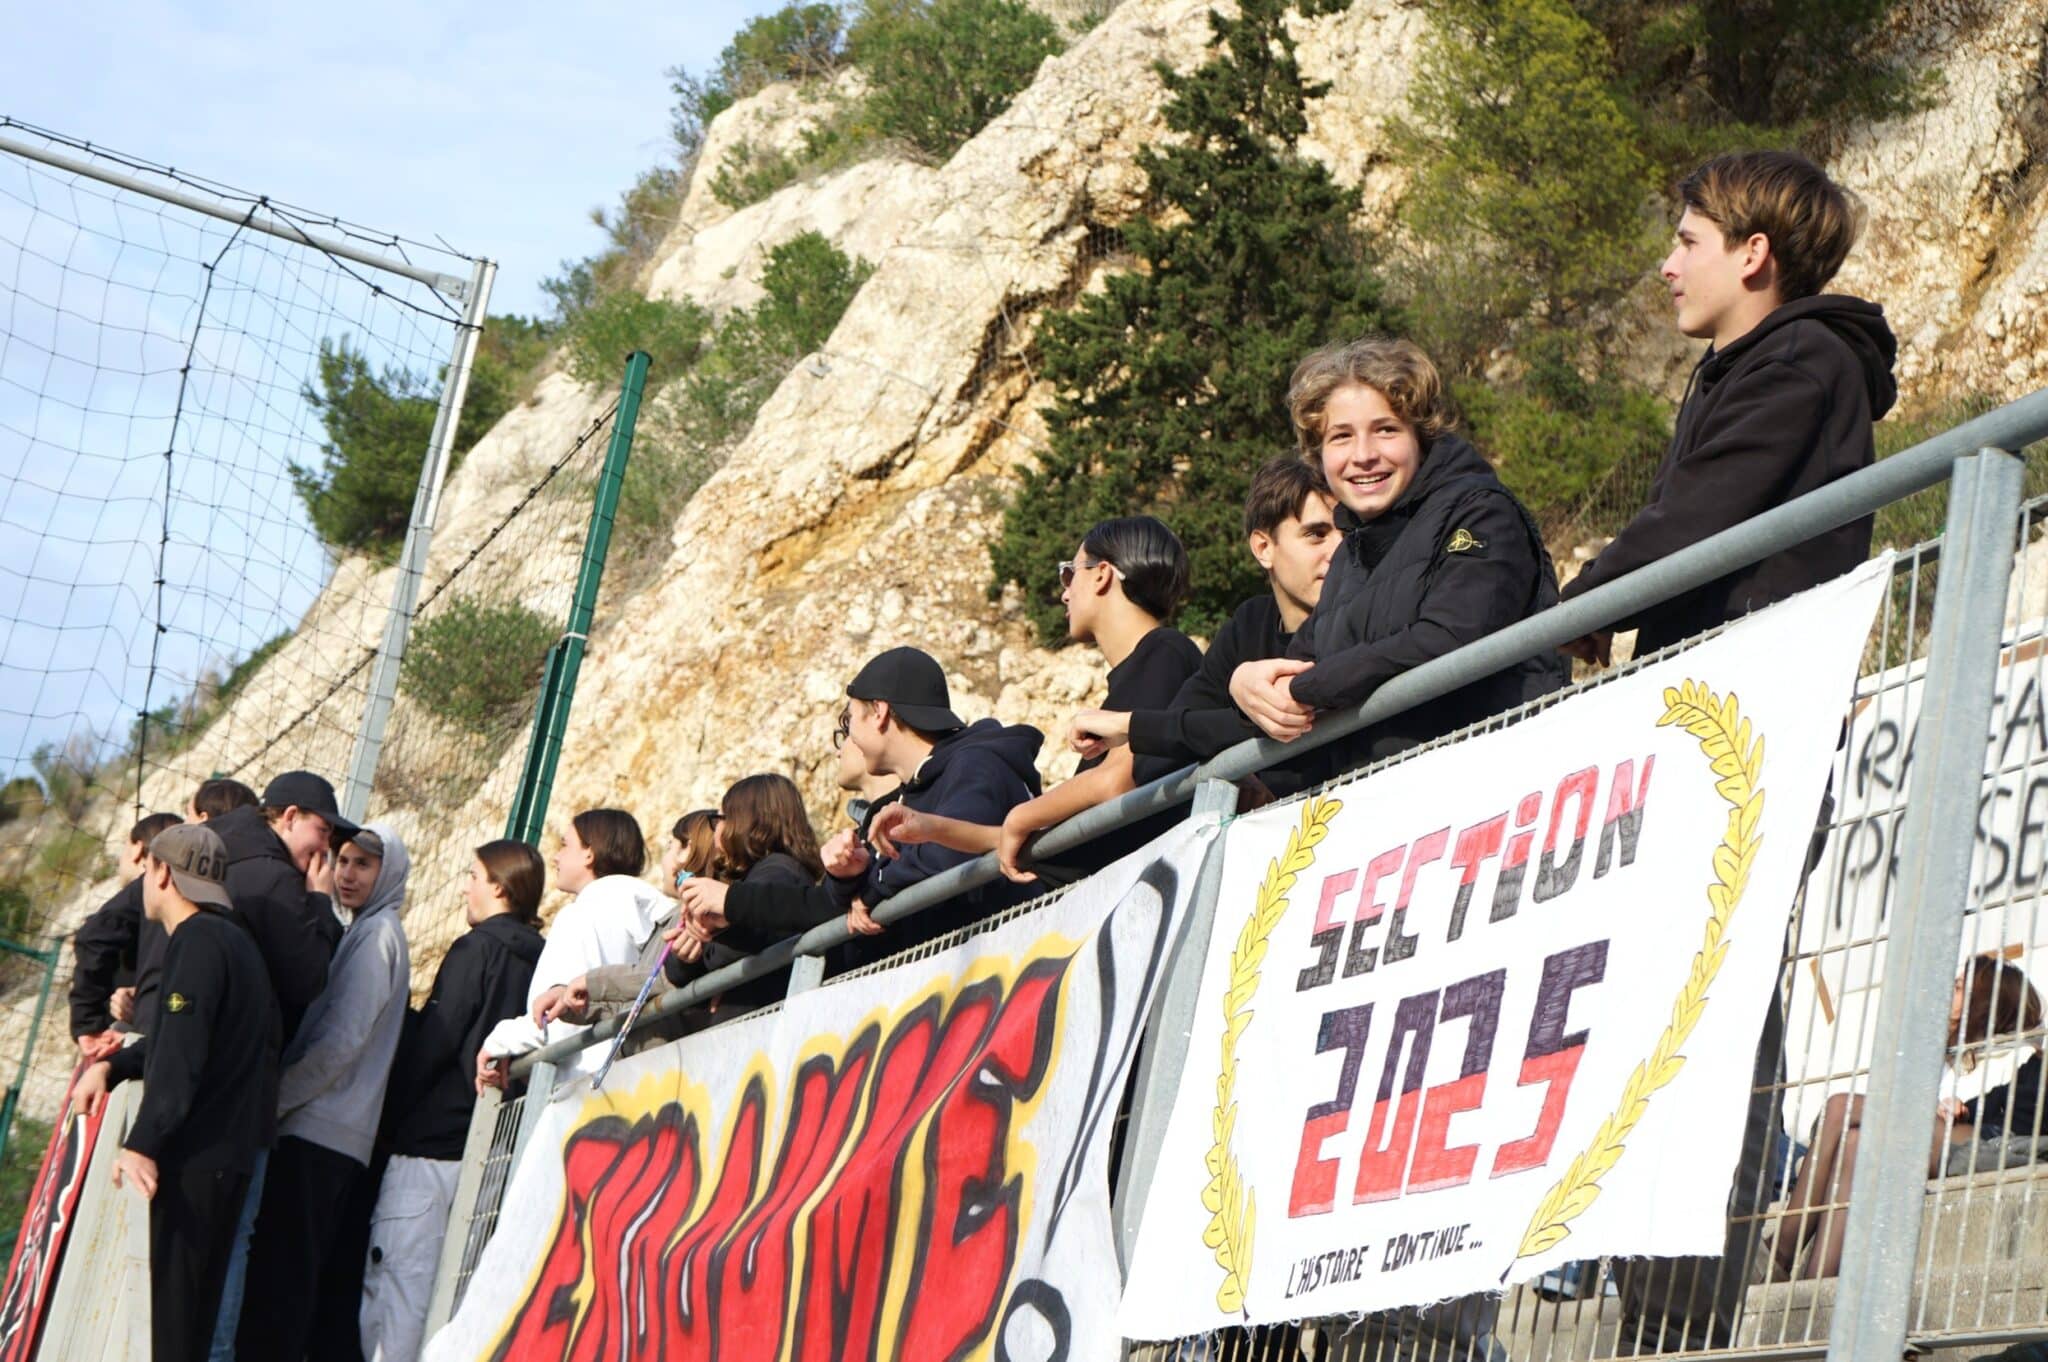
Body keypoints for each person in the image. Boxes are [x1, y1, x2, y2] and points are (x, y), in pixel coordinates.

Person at [1557, 150, 1897, 665]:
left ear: (1752, 254)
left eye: (1689, 243)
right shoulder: (1744, 367)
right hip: (1717, 684)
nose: (1668, 266)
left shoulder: (1799, 363)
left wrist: (1587, 604)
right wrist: (1601, 604)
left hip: (1754, 688)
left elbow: (1690, 520)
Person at [1228, 337, 1569, 772]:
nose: (1364, 456)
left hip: (1497, 778)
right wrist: (1247, 687)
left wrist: (1303, 689)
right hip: (1391, 797)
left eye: (1386, 430)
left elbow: (1450, 639)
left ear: (1420, 436)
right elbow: (1298, 666)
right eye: (1341, 437)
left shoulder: (1482, 513)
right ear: (1319, 454)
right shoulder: (1349, 556)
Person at [871, 517, 1200, 882]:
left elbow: (1114, 782)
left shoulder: (1164, 651)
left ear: (1101, 575)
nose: (1064, 594)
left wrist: (1022, 816)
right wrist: (932, 827)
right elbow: (1033, 837)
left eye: (1069, 574)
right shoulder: (1144, 670)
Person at [70, 824, 279, 1362]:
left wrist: (143, 1143)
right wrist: (112, 1066)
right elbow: (176, 1038)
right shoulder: (234, 940)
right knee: (188, 1325)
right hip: (226, 1160)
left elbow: (181, 1058)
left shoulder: (196, 942)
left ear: (161, 872)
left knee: (171, 1329)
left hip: (196, 1163)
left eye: (146, 870)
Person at [362, 840, 545, 1362]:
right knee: (458, 1298)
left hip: (429, 1149)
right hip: (492, 1148)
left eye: (473, 876)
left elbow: (436, 1043)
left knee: (397, 1291)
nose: (465, 887)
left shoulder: (476, 949)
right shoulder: (541, 958)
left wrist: (389, 1120)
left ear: (500, 888)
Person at [238, 825, 413, 1361]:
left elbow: (339, 1043)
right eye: (343, 861)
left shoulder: (378, 936)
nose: (347, 874)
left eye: (364, 864)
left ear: (390, 873)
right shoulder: (366, 931)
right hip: (326, 1131)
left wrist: (273, 1101)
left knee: (280, 1291)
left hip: (321, 1133)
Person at [1066, 457, 1340, 792]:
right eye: (1316, 534)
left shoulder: (1363, 611)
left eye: (1348, 531)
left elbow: (1311, 712)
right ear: (1263, 548)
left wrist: (1133, 725)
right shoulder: (1248, 625)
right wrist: (1243, 734)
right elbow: (1154, 759)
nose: (1338, 549)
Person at [1772, 957, 2044, 1280]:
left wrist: (1966, 1110)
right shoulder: (1948, 1060)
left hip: (1988, 1145)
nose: (1948, 992)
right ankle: (1815, 1283)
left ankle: (1779, 1253)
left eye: (1958, 988)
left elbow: (2020, 1123)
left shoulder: (2024, 1055)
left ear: (1984, 1002)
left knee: (1840, 1106)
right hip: (1939, 1140)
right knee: (1854, 1143)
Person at [551, 775, 826, 1035]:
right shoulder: (765, 876)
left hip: (753, 1032)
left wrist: (706, 939)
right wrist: (690, 950)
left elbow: (741, 944)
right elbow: (677, 972)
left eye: (723, 818)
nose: (719, 829)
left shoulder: (778, 872)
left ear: (749, 822)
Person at [476, 809, 667, 1084]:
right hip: (640, 1073)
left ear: (589, 853)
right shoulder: (651, 908)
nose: (556, 856)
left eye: (565, 845)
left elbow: (557, 1014)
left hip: (582, 1084)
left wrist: (500, 1042)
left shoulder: (580, 914)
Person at [69, 810, 184, 1048]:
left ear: (137, 849)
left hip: (136, 1036)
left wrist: (88, 1023)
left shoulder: (136, 899)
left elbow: (93, 937)